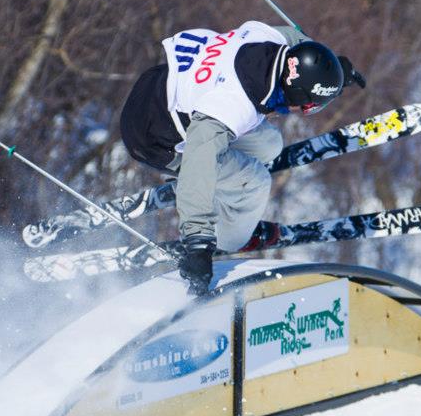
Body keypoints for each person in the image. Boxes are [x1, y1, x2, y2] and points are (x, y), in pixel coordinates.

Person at [120, 20, 365, 294]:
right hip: (153, 138)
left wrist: (333, 75)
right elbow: (199, 158)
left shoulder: (266, 40)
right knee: (256, 181)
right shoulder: (232, 106)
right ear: (297, 94)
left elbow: (299, 40)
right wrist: (198, 243)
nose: (304, 111)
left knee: (270, 144)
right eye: (309, 106)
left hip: (157, 86)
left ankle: (212, 188)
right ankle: (229, 234)